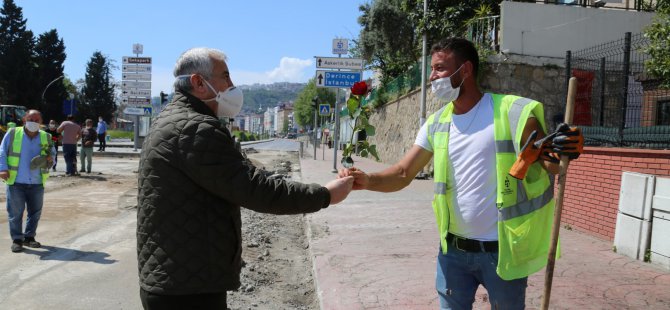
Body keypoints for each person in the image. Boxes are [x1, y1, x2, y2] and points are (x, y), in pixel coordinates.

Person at [338, 38, 584, 309]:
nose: (432, 77)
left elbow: (550, 163)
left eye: (440, 68)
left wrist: (565, 148)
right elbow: (403, 172)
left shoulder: (512, 113)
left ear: (465, 70)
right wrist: (368, 180)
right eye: (432, 69)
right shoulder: (437, 123)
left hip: (502, 253)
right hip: (452, 254)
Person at [136, 47, 354, 310]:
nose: (232, 85)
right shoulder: (196, 129)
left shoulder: (170, 121)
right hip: (188, 289)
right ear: (198, 82)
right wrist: (325, 195)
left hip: (172, 278)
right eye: (225, 76)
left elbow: (240, 174)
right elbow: (255, 189)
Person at [0, 110, 54, 252]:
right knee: (15, 213)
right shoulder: (12, 133)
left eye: (37, 120)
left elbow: (51, 156)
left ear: (41, 122)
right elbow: (2, 152)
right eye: (31, 119)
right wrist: (3, 169)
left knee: (35, 212)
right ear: (24, 119)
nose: (34, 122)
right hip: (16, 181)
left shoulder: (46, 137)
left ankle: (29, 238)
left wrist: (50, 160)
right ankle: (17, 239)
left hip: (37, 182)